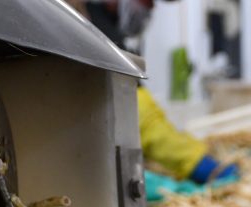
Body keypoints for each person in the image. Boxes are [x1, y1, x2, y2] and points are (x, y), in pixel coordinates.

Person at [71, 0, 238, 184]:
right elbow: (138, 114)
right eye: (147, 1)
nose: (151, 8)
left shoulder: (104, 26)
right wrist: (197, 163)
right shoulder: (84, 24)